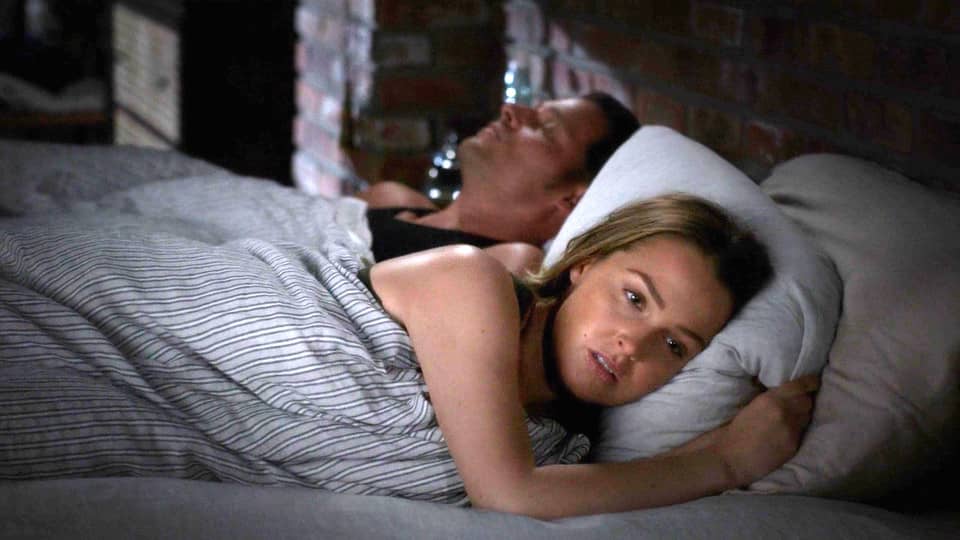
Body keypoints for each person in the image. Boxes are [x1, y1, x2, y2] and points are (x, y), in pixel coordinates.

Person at [365, 193, 818, 519]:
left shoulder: (564, 454)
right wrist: (725, 462)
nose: (633, 346)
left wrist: (725, 440)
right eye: (635, 298)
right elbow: (507, 494)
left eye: (673, 345)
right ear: (584, 262)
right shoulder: (472, 281)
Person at [358, 92, 641, 274]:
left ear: (572, 199)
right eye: (534, 110)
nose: (509, 110)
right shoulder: (387, 198)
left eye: (545, 127)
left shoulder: (507, 264)